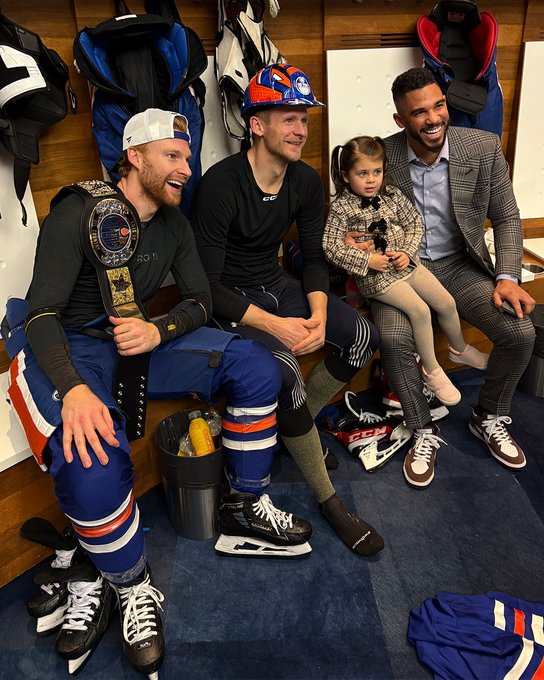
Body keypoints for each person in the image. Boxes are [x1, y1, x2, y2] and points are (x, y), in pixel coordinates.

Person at [4, 109, 313, 677]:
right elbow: (43, 313)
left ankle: (244, 503)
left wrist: (158, 331)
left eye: (188, 157)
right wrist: (72, 389)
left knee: (259, 366)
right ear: (135, 158)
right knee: (91, 459)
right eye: (173, 156)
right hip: (64, 347)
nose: (184, 168)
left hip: (137, 335)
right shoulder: (78, 211)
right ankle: (130, 582)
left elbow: (198, 300)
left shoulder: (174, 223)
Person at [192, 63, 384, 557]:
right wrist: (276, 325)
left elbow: (315, 258)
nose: (300, 129)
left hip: (280, 283)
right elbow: (206, 288)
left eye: (304, 117)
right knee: (287, 373)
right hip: (233, 298)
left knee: (363, 336)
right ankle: (329, 499)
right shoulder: (220, 184)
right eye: (288, 118)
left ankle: (298, 427)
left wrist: (318, 312)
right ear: (256, 124)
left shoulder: (305, 179)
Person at [345, 68, 536, 488]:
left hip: (459, 266)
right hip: (400, 271)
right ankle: (422, 429)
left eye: (439, 105)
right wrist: (362, 253)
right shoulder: (381, 158)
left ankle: (488, 416)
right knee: (394, 338)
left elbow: (505, 215)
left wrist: (506, 276)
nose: (433, 118)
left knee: (520, 333)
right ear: (400, 120)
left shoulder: (483, 148)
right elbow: (350, 219)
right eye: (419, 112)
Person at [322, 135, 489, 409]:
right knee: (420, 310)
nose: (371, 179)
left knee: (447, 302)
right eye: (362, 173)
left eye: (376, 171)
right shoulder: (342, 208)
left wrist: (407, 252)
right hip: (378, 278)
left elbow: (415, 224)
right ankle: (432, 370)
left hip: (406, 264)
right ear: (345, 175)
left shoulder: (392, 195)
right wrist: (367, 262)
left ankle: (459, 349)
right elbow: (331, 247)